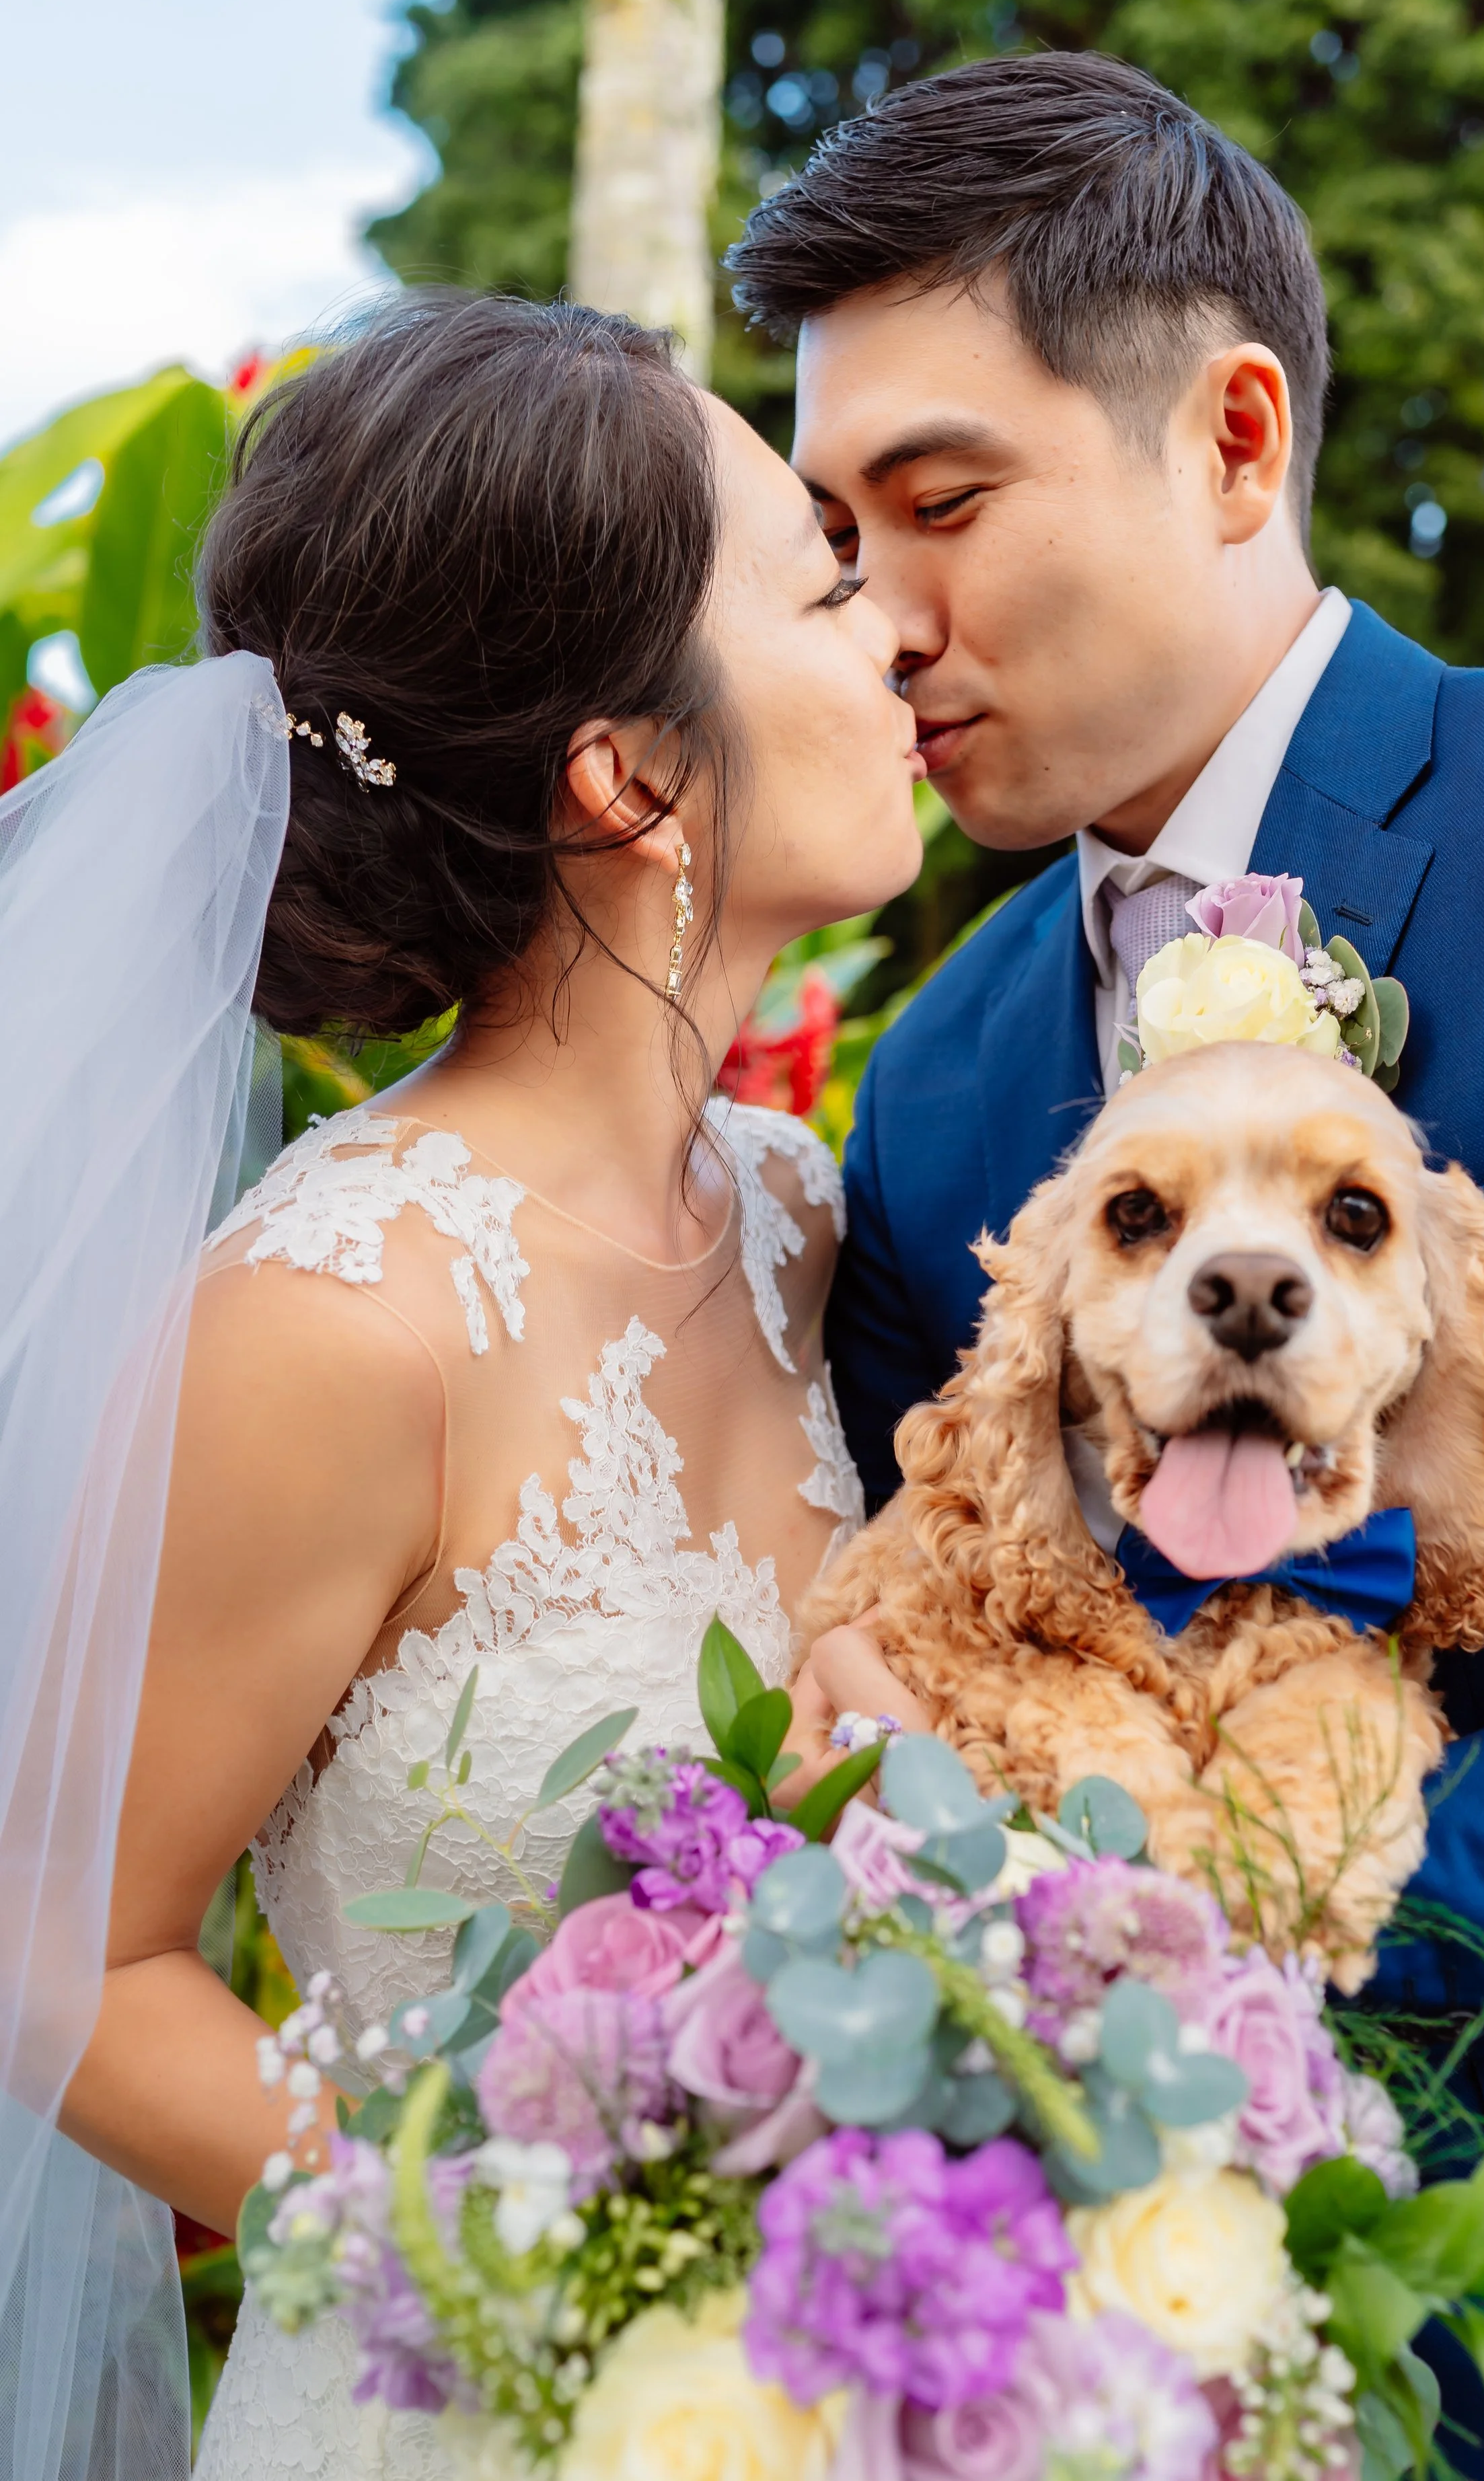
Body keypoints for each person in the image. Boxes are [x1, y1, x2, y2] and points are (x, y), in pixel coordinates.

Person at [731, 50, 1484, 2472]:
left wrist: (1165, 1933)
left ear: (1235, 436)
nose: (891, 616)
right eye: (839, 537)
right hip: (1083, 2353)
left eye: (941, 501)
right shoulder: (930, 1083)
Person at [6, 291, 924, 2480]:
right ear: (625, 772)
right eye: (821, 577)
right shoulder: (336, 1313)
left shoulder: (816, 1217)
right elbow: (60, 1967)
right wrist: (554, 2268)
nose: (897, 631)